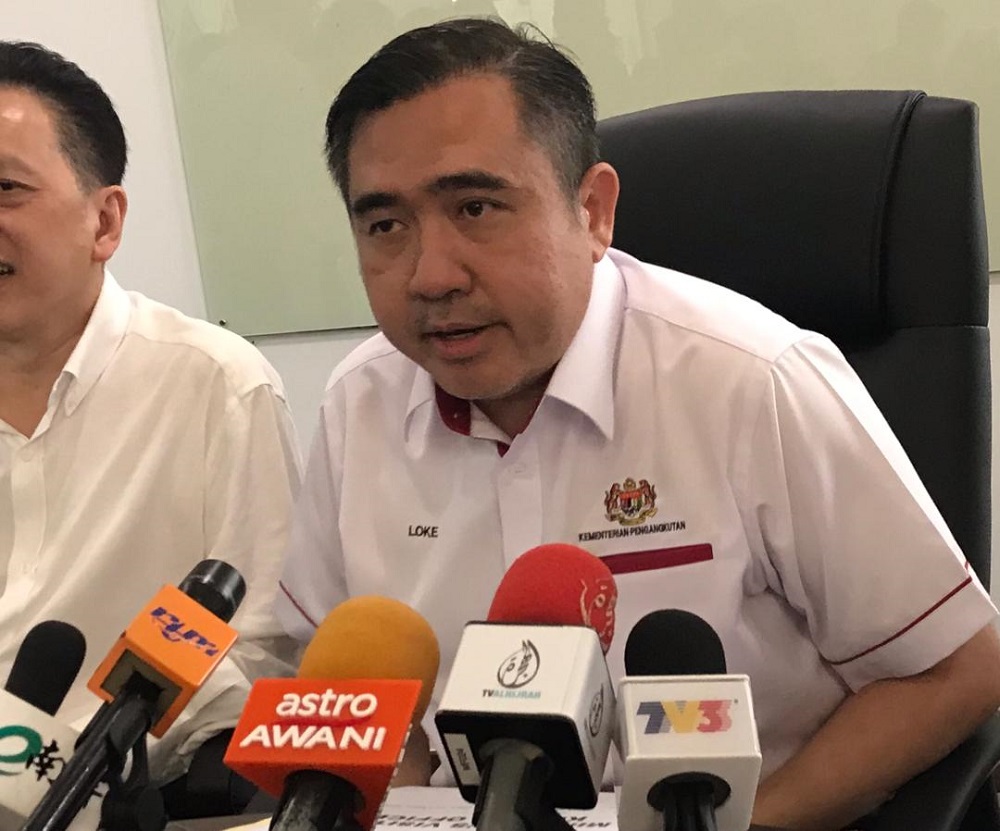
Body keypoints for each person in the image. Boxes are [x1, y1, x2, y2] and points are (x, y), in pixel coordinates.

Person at [274, 18, 1000, 829]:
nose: (431, 274)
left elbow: (959, 669)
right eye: (384, 226)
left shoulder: (753, 379)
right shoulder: (358, 404)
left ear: (593, 209)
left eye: (475, 207)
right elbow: (350, 692)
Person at [0, 40, 302, 797]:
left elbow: (261, 661)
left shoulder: (216, 388)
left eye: (5, 188)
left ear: (104, 220)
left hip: (137, 801)